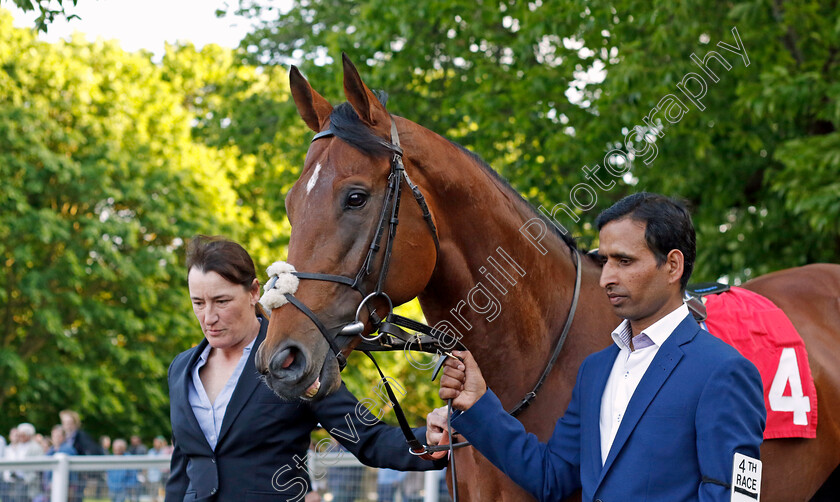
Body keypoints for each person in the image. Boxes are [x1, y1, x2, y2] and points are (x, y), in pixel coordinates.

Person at [430, 192, 767, 501]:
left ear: (673, 266)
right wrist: (477, 404)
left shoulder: (723, 371)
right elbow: (550, 476)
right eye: (604, 261)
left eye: (624, 261)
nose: (606, 278)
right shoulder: (595, 369)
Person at [166, 236, 443, 501]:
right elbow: (182, 469)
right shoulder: (181, 368)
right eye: (198, 303)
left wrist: (431, 440)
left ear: (253, 292)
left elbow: (367, 438)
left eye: (221, 301)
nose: (209, 317)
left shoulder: (295, 357)